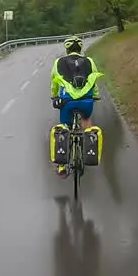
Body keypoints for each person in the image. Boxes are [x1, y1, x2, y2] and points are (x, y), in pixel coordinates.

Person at [48, 35, 104, 178]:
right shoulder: (89, 61)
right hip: (86, 101)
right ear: (80, 48)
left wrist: (54, 96)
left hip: (66, 102)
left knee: (64, 127)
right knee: (86, 119)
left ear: (67, 49)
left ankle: (61, 166)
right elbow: (94, 80)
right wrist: (95, 94)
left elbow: (54, 82)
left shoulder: (58, 62)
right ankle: (88, 145)